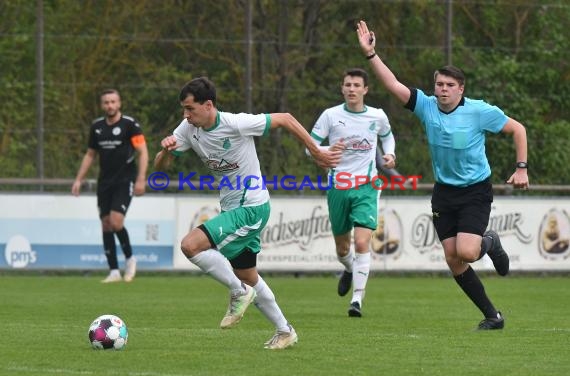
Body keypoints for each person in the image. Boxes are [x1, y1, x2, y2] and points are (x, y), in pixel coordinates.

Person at [356, 21, 529, 330]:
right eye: (440, 85)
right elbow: (393, 84)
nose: (444, 90)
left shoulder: (478, 111)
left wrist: (521, 167)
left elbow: (518, 129)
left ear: (461, 89)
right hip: (444, 193)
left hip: (475, 190)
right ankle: (493, 315)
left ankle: (491, 242)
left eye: (450, 86)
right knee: (454, 259)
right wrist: (371, 55)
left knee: (467, 251)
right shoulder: (427, 107)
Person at [154, 77, 341, 349]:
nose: (185, 114)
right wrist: (165, 150)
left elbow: (286, 118)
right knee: (248, 275)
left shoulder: (235, 123)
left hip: (251, 207)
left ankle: (239, 293)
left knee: (190, 245)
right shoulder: (188, 128)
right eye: (183, 109)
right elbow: (161, 169)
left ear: (208, 105)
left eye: (190, 108)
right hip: (233, 208)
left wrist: (317, 152)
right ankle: (285, 330)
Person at [308, 68, 397, 317]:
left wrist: (390, 155)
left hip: (367, 186)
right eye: (347, 85)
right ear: (342, 88)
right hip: (338, 186)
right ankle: (348, 269)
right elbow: (310, 147)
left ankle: (357, 300)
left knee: (361, 242)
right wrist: (323, 153)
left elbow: (388, 138)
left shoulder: (377, 116)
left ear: (365, 90)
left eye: (357, 85)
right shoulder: (330, 115)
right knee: (342, 249)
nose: (351, 89)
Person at [72, 89, 148, 283]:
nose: (110, 105)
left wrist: (141, 178)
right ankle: (113, 271)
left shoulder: (130, 125)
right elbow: (90, 154)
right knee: (105, 224)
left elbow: (143, 151)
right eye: (106, 102)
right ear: (102, 105)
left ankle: (130, 259)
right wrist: (79, 179)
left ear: (119, 103)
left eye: (113, 101)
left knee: (116, 222)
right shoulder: (97, 127)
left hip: (125, 180)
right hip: (104, 182)